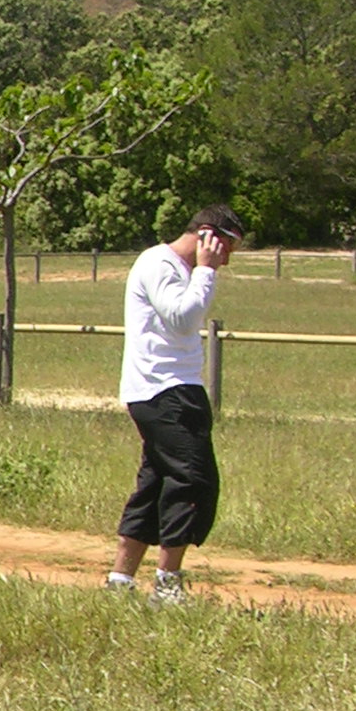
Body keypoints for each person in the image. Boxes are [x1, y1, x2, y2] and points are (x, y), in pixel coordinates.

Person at [107, 204, 243, 605]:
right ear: (206, 235)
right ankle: (167, 586)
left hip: (176, 389)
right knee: (192, 480)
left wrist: (202, 271)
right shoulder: (159, 263)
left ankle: (120, 580)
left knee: (157, 482)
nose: (227, 258)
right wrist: (206, 270)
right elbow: (182, 318)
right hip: (162, 390)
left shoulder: (181, 269)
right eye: (226, 246)